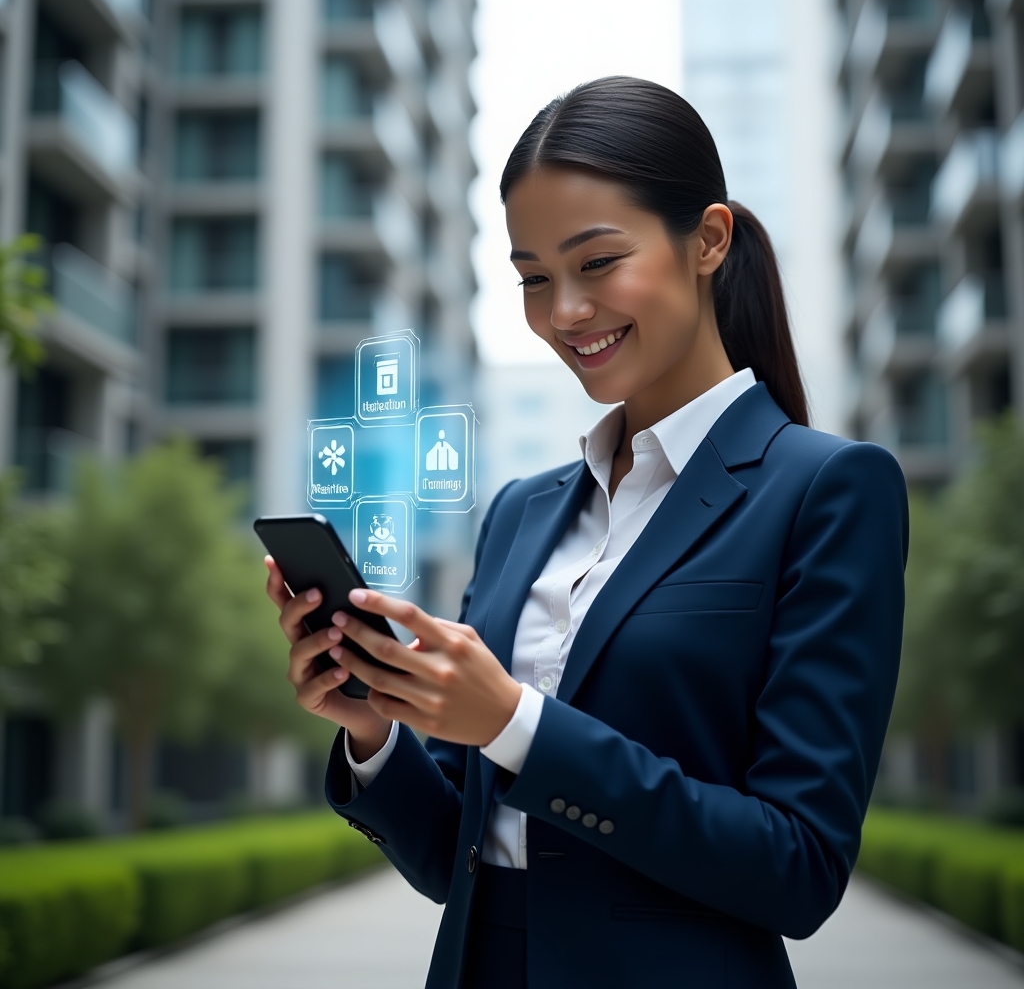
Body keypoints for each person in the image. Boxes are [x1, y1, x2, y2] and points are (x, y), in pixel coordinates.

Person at [265, 77, 908, 989]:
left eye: (597, 263)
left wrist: (518, 725)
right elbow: (456, 856)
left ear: (708, 240)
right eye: (533, 279)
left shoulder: (828, 489)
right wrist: (373, 727)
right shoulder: (521, 512)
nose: (562, 312)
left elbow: (798, 867)